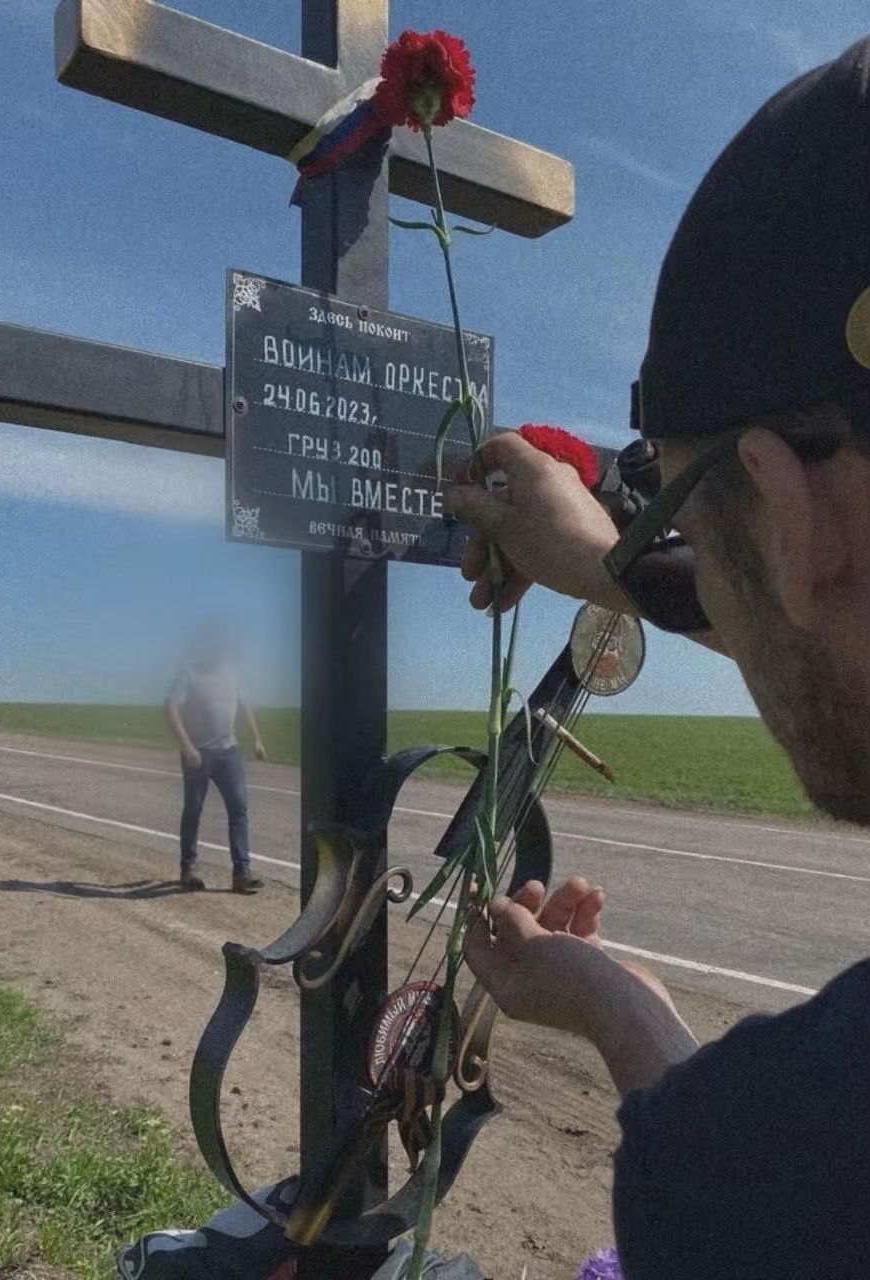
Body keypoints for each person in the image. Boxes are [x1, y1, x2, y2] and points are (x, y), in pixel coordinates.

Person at [452, 37, 870, 1280]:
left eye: (694, 529)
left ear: (787, 518)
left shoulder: (773, 1168)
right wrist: (604, 556)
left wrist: (613, 1017)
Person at [164, 622, 267, 894]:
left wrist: (256, 738)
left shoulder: (231, 673)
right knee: (194, 809)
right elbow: (171, 708)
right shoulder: (189, 673)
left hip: (229, 752)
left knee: (239, 808)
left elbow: (244, 706)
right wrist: (187, 748)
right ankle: (189, 868)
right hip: (199, 755)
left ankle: (241, 872)